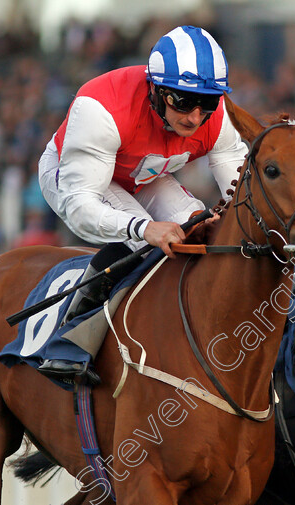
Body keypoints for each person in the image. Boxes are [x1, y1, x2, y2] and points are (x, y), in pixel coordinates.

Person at [37, 26, 248, 377]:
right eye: (182, 101)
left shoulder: (218, 117)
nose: (195, 117)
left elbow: (240, 190)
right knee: (146, 242)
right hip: (77, 179)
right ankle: (69, 337)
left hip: (142, 173)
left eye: (207, 103)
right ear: (156, 89)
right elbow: (80, 208)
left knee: (198, 229)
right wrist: (145, 228)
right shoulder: (102, 109)